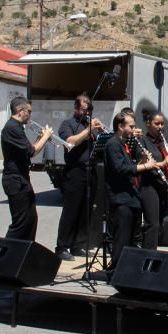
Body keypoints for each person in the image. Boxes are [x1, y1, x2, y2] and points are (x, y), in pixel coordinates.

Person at [103, 110, 158, 272]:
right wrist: (145, 166)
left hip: (131, 198)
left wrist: (139, 161)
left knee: (132, 239)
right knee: (121, 240)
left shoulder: (124, 144)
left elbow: (128, 166)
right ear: (121, 126)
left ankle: (128, 271)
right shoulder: (113, 144)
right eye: (131, 126)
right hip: (121, 199)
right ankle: (116, 272)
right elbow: (120, 169)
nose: (134, 130)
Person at [55, 93, 104, 261]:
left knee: (86, 210)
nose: (86, 112)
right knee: (71, 210)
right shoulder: (68, 124)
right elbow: (70, 141)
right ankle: (62, 247)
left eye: (88, 109)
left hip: (91, 172)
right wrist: (88, 130)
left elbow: (99, 145)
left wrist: (101, 133)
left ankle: (78, 244)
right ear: (76, 108)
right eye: (83, 109)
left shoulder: (88, 125)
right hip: (75, 172)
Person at [0, 96, 52, 241]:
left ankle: (26, 254)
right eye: (28, 111)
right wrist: (45, 136)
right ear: (19, 110)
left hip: (22, 179)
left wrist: (40, 138)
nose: (30, 115)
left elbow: (28, 149)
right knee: (20, 224)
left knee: (31, 220)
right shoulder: (12, 128)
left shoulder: (17, 128)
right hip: (15, 181)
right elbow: (31, 152)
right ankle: (5, 256)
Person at [138, 109, 168, 248]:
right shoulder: (142, 141)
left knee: (159, 223)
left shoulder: (162, 142)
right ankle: (148, 255)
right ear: (148, 123)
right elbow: (147, 164)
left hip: (163, 187)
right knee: (152, 224)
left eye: (162, 124)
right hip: (149, 186)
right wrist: (164, 162)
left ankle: (152, 252)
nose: (161, 127)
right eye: (157, 124)